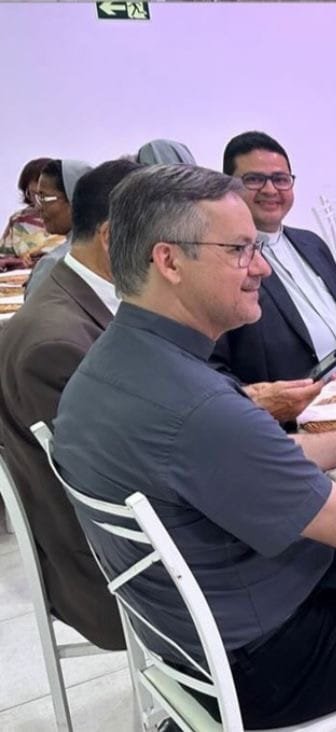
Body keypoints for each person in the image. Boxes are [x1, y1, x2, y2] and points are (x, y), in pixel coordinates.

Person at [53, 164, 336, 730]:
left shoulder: (105, 368)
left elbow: (252, 463)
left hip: (188, 648)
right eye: (239, 250)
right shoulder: (197, 405)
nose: (262, 268)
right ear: (169, 261)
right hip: (276, 662)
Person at [0, 159, 142, 651]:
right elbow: (119, 486)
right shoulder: (57, 344)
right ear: (114, 236)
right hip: (117, 574)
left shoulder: (84, 294)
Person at [212, 131, 336, 425]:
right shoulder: (218, 261)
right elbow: (211, 369)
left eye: (280, 179)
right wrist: (260, 403)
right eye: (254, 179)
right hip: (294, 423)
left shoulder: (312, 244)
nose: (270, 189)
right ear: (228, 187)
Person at [26, 159, 93, 294]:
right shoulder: (117, 251)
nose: (39, 207)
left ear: (73, 199)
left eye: (44, 198)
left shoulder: (54, 265)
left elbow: (34, 308)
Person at [0, 157, 64, 269]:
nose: (40, 200)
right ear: (27, 192)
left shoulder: (72, 217)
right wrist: (17, 262)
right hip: (25, 277)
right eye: (35, 194)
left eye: (45, 195)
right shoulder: (18, 220)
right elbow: (3, 259)